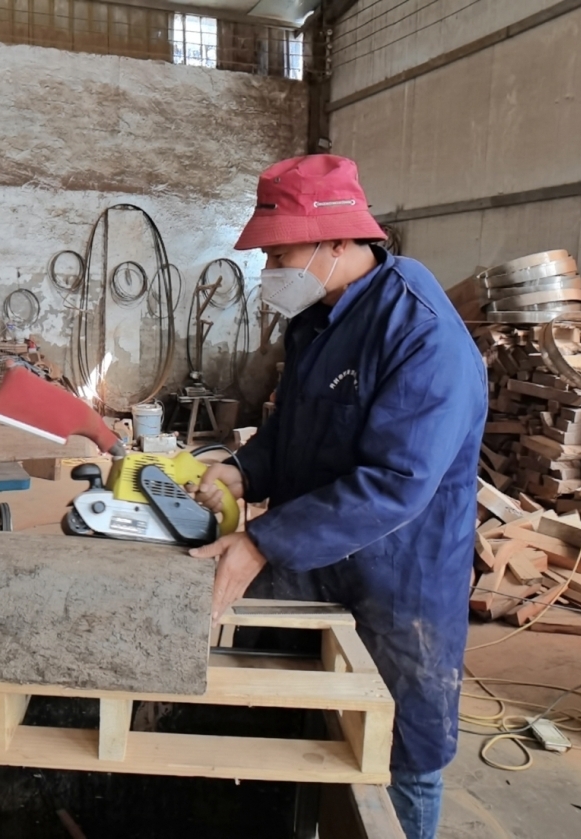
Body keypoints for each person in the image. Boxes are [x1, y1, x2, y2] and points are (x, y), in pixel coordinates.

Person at [189, 154, 487, 839]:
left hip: (399, 575)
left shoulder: (420, 333)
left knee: (399, 748)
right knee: (289, 715)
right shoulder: (318, 319)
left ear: (339, 241)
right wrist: (244, 471)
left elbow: (396, 480)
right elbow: (297, 428)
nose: (270, 270)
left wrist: (262, 540)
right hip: (315, 554)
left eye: (280, 253)